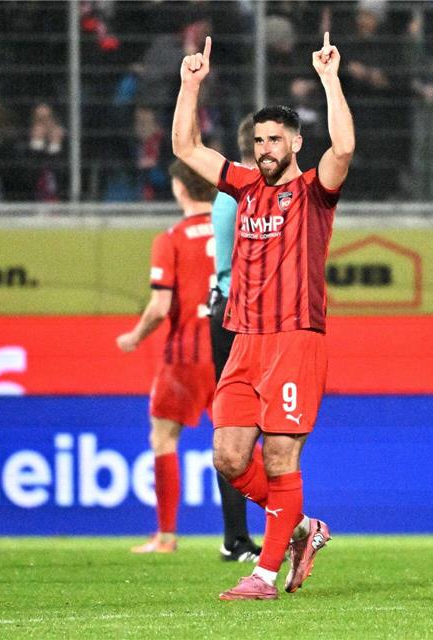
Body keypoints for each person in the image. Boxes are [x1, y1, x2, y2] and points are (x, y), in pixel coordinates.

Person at [171, 32, 354, 600]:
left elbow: (343, 150)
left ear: (296, 141)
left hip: (297, 339)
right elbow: (184, 147)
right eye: (259, 139)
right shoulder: (243, 185)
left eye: (276, 138)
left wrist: (329, 79)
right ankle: (299, 527)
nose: (266, 147)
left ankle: (263, 575)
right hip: (246, 341)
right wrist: (190, 84)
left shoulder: (313, 191)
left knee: (279, 455)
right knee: (228, 456)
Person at [116, 160, 219, 554]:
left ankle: (166, 537)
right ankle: (289, 523)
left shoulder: (171, 238)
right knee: (240, 447)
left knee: (163, 439)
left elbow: (161, 307)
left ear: (178, 187)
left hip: (186, 355)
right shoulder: (234, 233)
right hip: (230, 351)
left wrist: (134, 337)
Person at [209, 113, 262, 564]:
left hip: (227, 309)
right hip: (238, 315)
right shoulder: (245, 192)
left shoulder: (230, 193)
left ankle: (238, 535)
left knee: (242, 428)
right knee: (245, 429)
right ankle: (239, 535)